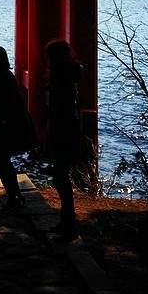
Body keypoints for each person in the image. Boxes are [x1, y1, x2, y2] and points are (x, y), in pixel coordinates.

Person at [0, 44, 35, 216]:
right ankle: (15, 196)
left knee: (2, 161)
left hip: (5, 129)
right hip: (19, 125)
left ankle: (13, 196)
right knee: (4, 161)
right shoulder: (9, 77)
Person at [44, 39, 83, 242]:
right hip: (69, 133)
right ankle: (67, 219)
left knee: (60, 177)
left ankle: (68, 221)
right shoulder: (69, 77)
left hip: (63, 135)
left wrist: (52, 138)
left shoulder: (62, 80)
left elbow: (60, 113)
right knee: (61, 177)